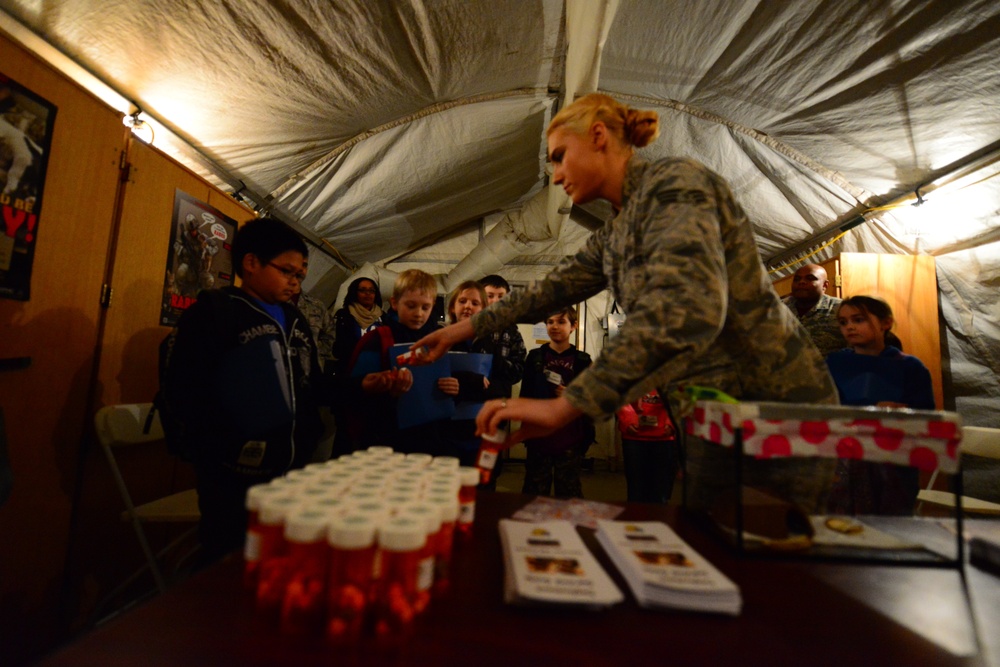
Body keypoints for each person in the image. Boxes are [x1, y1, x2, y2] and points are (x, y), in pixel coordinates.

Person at [413, 93, 838, 513]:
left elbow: (689, 312)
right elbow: (553, 290)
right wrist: (460, 329)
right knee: (725, 544)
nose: (556, 175)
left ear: (598, 136)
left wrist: (566, 406)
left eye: (560, 156)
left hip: (770, 402)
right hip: (710, 410)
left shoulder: (676, 185)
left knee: (784, 555)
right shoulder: (617, 229)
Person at [167, 217, 324, 564]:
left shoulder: (296, 320)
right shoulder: (215, 312)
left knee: (282, 558)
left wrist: (365, 384)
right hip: (233, 480)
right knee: (230, 560)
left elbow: (312, 385)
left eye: (300, 276)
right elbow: (186, 391)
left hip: (292, 470)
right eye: (287, 272)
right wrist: (219, 448)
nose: (295, 284)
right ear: (251, 263)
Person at [825, 296, 935, 515]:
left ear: (886, 323)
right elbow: (826, 408)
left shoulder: (910, 366)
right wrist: (873, 408)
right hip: (843, 457)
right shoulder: (834, 364)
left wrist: (902, 415)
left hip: (893, 461)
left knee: (891, 524)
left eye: (858, 319)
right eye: (844, 322)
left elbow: (926, 415)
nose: (850, 327)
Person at [345, 269, 441, 453]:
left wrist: (450, 385)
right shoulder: (378, 339)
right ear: (395, 303)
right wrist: (384, 388)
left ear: (433, 305)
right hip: (385, 436)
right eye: (411, 306)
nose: (418, 314)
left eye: (425, 307)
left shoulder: (437, 341)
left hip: (427, 435)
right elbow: (355, 389)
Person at [518, 307, 593, 498]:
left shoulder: (583, 361)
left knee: (568, 494)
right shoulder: (535, 357)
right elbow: (525, 396)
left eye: (561, 322)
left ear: (573, 326)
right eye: (550, 322)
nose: (554, 326)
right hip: (539, 435)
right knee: (534, 493)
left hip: (570, 437)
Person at [477, 274, 527, 488]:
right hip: (464, 409)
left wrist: (499, 363)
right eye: (490, 296)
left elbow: (518, 370)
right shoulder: (466, 327)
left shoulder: (512, 332)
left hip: (498, 409)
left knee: (490, 465)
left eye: (500, 296)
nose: (495, 301)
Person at [436, 281, 492, 466]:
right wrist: (472, 380)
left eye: (475, 303)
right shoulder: (440, 338)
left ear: (484, 308)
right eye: (462, 301)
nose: (468, 306)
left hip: (482, 429)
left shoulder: (491, 341)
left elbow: (501, 383)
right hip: (447, 430)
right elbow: (433, 378)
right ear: (453, 306)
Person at [330, 276, 383, 454]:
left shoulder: (383, 319)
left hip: (377, 384)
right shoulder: (344, 316)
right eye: (363, 290)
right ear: (354, 292)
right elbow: (337, 348)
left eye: (371, 290)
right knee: (346, 434)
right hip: (350, 382)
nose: (368, 294)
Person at [616, 390, 678, 504]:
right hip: (634, 436)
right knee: (636, 488)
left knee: (661, 488)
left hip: (664, 436)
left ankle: (658, 517)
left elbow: (679, 397)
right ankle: (636, 518)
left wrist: (671, 422)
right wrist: (628, 419)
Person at [783, 263, 844, 357]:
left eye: (810, 278)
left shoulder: (840, 309)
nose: (801, 282)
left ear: (825, 285)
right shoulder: (777, 308)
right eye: (797, 279)